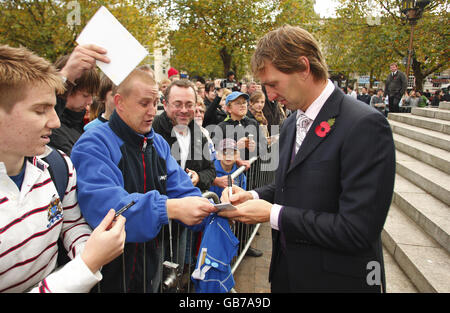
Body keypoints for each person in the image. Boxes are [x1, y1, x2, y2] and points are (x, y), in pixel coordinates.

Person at [219, 25, 395, 293]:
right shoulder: (291, 124)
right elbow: (291, 187)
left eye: (273, 84)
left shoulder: (365, 125)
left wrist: (272, 214)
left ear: (303, 67)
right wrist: (252, 196)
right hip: (287, 275)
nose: (270, 96)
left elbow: (357, 230)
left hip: (337, 281)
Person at [70, 68, 216, 293]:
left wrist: (208, 210)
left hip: (150, 267)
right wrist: (168, 207)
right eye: (144, 103)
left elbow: (183, 189)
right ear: (119, 102)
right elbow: (108, 208)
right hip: (108, 274)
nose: (152, 111)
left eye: (155, 102)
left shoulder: (157, 143)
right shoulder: (94, 143)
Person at [0, 44, 126, 293]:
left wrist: (89, 247)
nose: (55, 121)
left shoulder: (59, 167)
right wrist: (86, 266)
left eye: (52, 107)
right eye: (40, 110)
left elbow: (70, 223)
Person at [152, 79, 216, 192]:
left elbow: (210, 170)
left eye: (189, 104)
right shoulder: (151, 131)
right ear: (165, 105)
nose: (184, 110)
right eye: (177, 104)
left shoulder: (199, 135)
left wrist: (198, 178)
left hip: (190, 201)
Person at [49, 53, 100, 155]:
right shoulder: (52, 130)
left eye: (92, 96)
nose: (90, 101)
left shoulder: (81, 124)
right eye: (85, 95)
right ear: (68, 90)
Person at [213, 91, 268, 161]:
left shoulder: (253, 123)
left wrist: (255, 147)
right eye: (238, 103)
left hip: (254, 170)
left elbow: (265, 145)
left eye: (244, 102)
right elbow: (216, 153)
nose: (242, 105)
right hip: (233, 170)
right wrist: (235, 147)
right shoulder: (221, 128)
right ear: (229, 109)